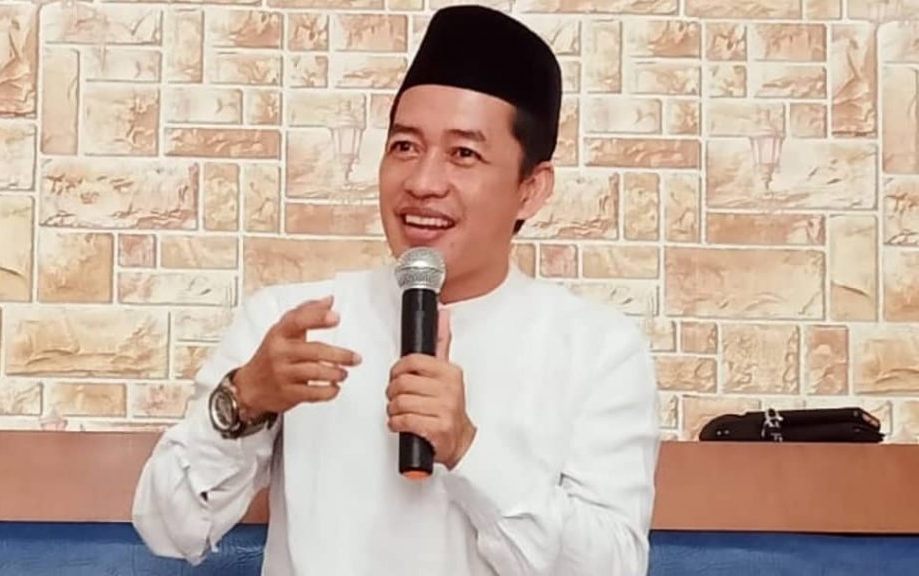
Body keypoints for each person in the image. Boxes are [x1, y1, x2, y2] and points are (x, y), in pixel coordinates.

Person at [132, 5, 661, 575]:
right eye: (405, 146)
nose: (423, 182)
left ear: (531, 189)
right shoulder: (294, 324)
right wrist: (244, 401)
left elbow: (612, 566)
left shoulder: (599, 351)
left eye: (463, 154)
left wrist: (469, 449)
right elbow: (168, 529)